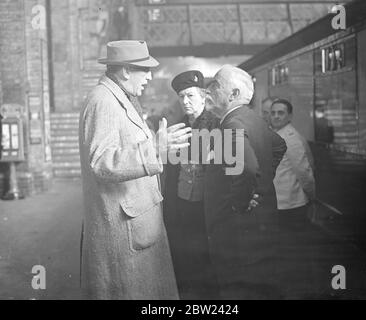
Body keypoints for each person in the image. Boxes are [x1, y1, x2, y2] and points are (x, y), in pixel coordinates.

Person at [79, 40, 192, 300]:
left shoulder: (119, 97)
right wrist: (153, 147)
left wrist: (157, 144)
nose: (150, 77)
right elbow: (102, 162)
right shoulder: (103, 101)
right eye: (145, 70)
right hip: (124, 231)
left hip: (134, 223)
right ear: (126, 70)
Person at [206, 65, 287, 299]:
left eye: (216, 86)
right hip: (260, 228)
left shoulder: (231, 124)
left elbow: (248, 168)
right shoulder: (252, 119)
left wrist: (240, 202)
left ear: (233, 94)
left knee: (238, 292)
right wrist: (261, 185)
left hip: (237, 232)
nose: (209, 90)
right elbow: (279, 145)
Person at [163, 70, 220, 299]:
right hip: (182, 202)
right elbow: (173, 169)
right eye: (181, 97)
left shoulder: (216, 126)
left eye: (190, 96)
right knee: (184, 257)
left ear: (203, 96)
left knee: (206, 259)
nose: (185, 102)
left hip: (206, 205)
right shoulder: (178, 128)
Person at [270, 98, 316, 297]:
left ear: (289, 116)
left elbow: (304, 172)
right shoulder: (277, 134)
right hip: (281, 204)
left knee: (293, 250)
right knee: (286, 249)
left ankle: (297, 290)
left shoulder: (290, 137)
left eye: (281, 113)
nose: (276, 116)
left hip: (292, 205)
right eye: (273, 112)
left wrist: (312, 198)